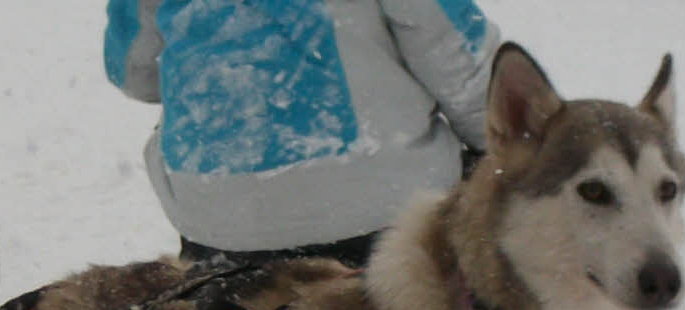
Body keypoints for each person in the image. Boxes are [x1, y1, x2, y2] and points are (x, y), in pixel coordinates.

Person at [105, 0, 500, 265]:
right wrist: (495, 147)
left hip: (219, 223)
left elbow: (134, 75)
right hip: (381, 211)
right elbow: (456, 55)